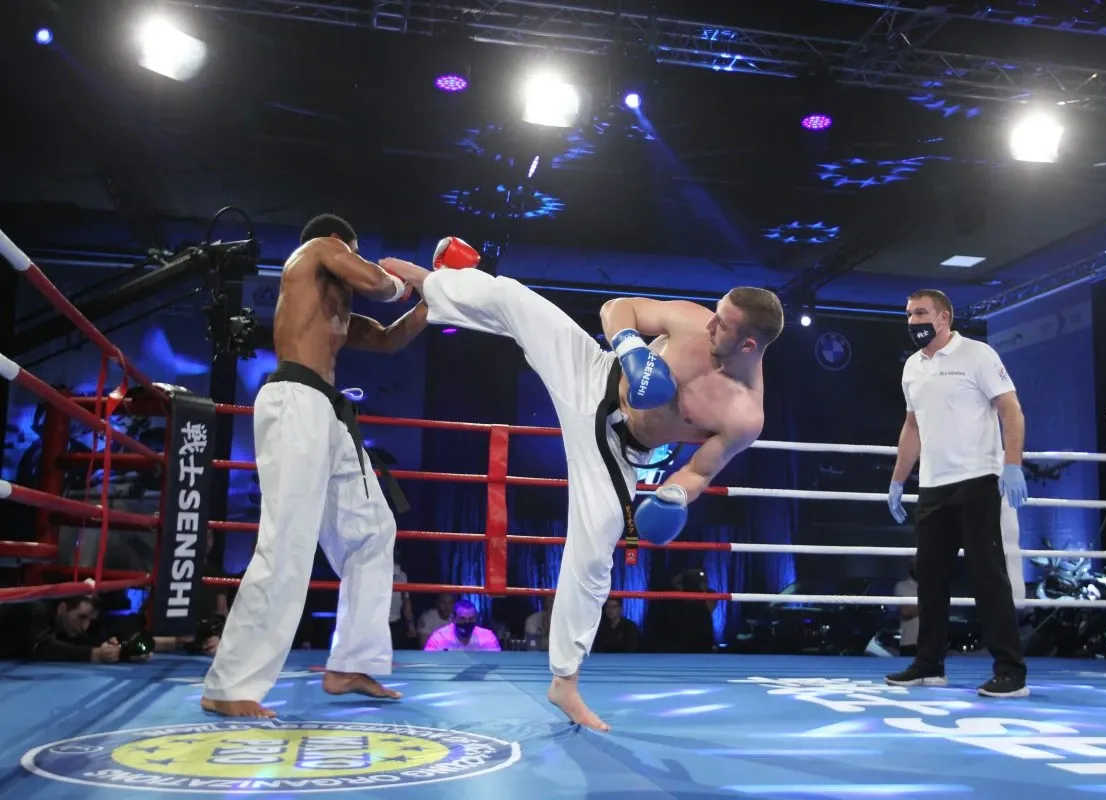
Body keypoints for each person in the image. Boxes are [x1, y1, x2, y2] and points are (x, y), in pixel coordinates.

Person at [382, 237, 782, 731]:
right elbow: (618, 307)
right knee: (516, 301)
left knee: (594, 555)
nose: (710, 324)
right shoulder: (691, 319)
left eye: (722, 324)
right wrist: (631, 349)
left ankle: (564, 680)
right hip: (595, 374)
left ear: (749, 345)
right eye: (715, 314)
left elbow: (698, 471)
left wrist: (675, 494)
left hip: (615, 448)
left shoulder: (744, 416)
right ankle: (431, 283)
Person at [201, 214, 430, 718]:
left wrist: (434, 301)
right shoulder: (316, 250)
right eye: (354, 252)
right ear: (340, 243)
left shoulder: (335, 308)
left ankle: (351, 663)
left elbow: (389, 339)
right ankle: (228, 684)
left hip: (328, 412)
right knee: (287, 540)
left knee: (373, 530)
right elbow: (379, 284)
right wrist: (415, 279)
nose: (354, 260)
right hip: (295, 400)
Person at [884, 289, 1030, 698]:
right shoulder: (912, 367)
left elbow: (1011, 409)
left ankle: (1011, 670)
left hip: (978, 478)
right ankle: (928, 665)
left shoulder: (977, 354)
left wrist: (1012, 463)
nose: (913, 321)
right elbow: (912, 426)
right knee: (930, 579)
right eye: (909, 314)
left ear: (944, 317)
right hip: (933, 484)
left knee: (988, 576)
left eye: (921, 313)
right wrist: (898, 480)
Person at [423, 599, 502, 652]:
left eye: (471, 619)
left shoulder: (488, 637)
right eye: (462, 619)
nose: (467, 622)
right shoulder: (439, 638)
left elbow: (496, 663)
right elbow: (429, 662)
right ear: (453, 618)